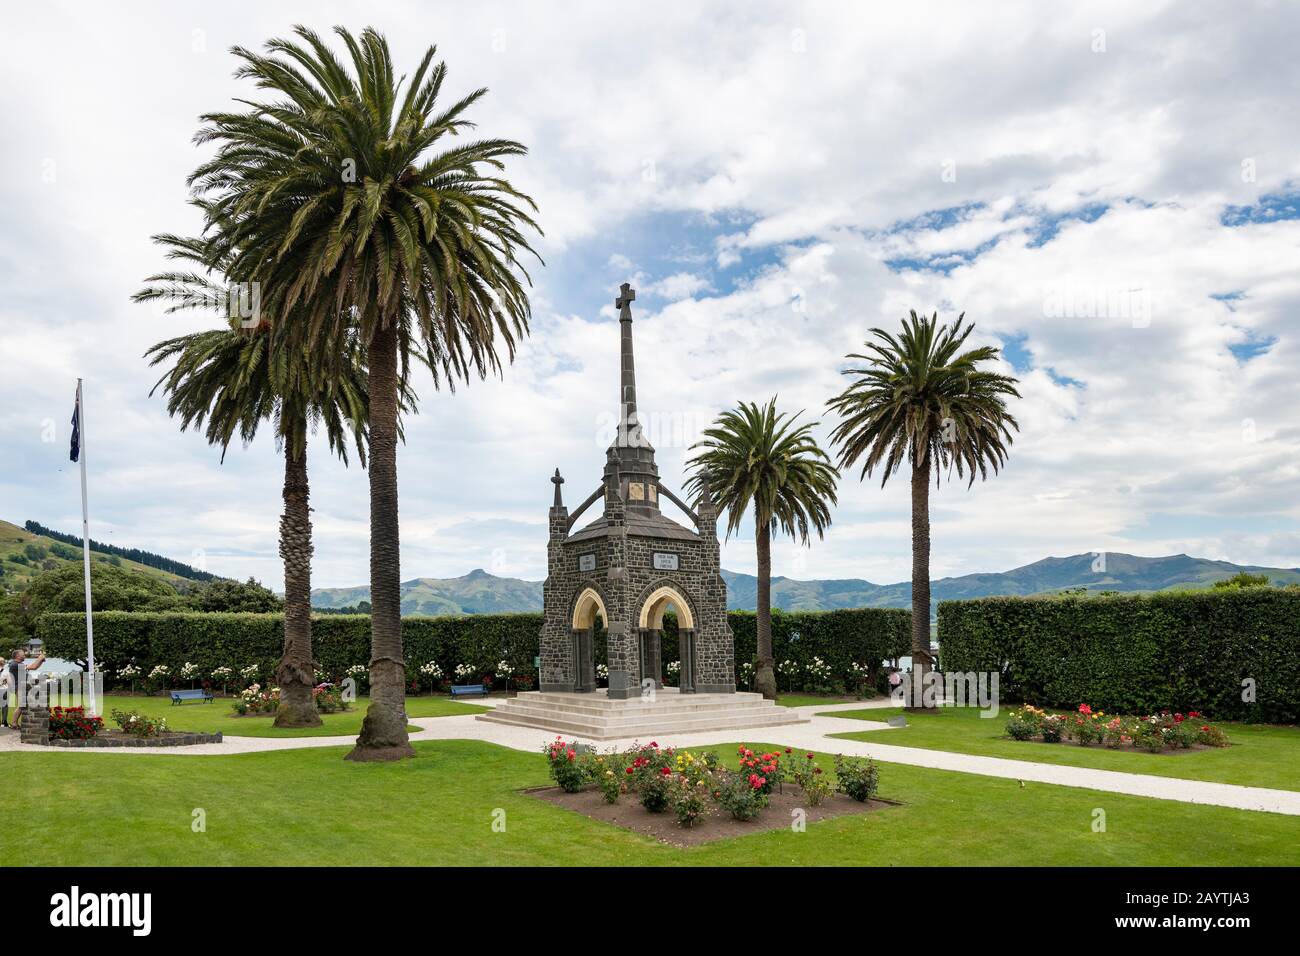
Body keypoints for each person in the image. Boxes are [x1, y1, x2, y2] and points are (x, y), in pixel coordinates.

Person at [4, 649, 45, 727]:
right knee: (21, 705)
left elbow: (34, 667)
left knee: (22, 705)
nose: (24, 655)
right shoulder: (15, 664)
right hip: (19, 687)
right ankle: (13, 723)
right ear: (17, 656)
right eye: (23, 654)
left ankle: (14, 723)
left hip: (21, 687)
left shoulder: (18, 664)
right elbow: (33, 667)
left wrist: (41, 661)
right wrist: (39, 658)